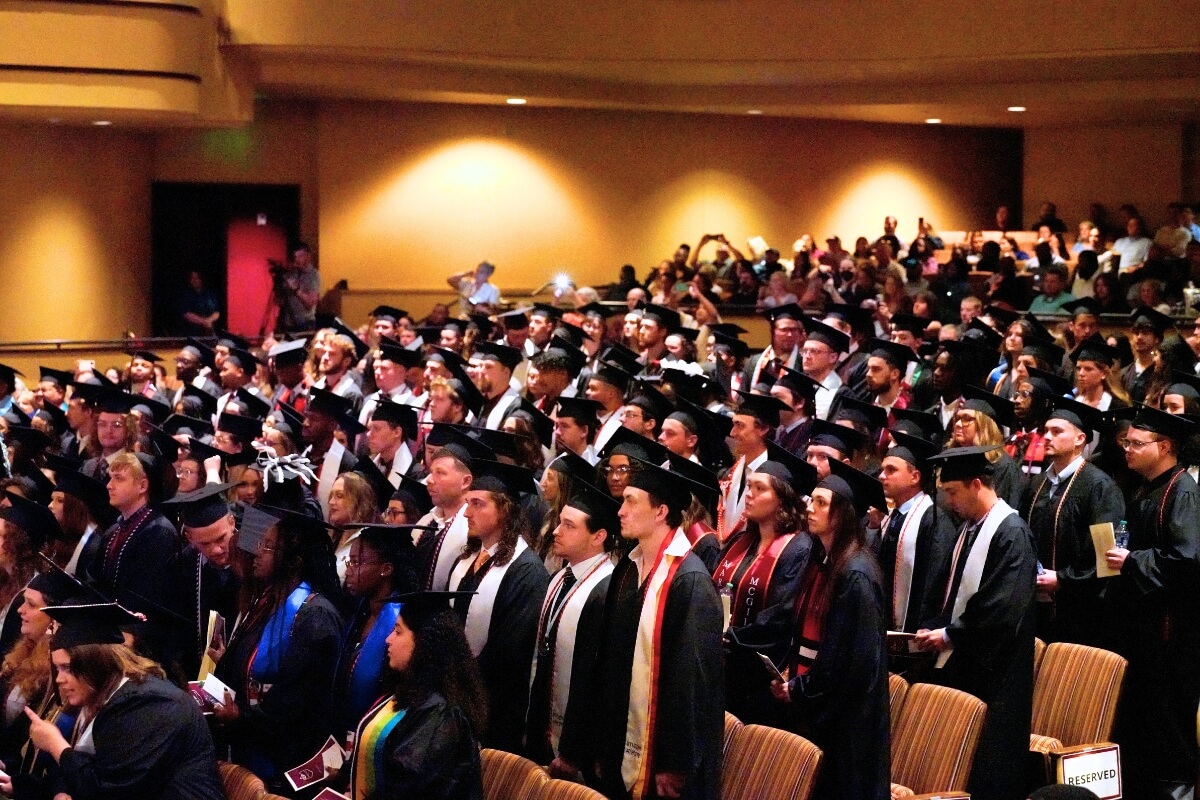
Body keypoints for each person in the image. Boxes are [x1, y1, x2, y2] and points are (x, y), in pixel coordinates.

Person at [586, 460, 723, 800]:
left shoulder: (690, 581)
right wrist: (605, 746)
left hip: (663, 760)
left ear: (661, 511)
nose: (620, 510)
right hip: (620, 746)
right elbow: (612, 663)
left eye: (631, 501)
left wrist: (673, 762)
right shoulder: (629, 570)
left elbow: (691, 681)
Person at [914, 446, 1036, 800]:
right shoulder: (968, 529)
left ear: (977, 483)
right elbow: (949, 591)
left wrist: (951, 634)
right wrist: (934, 625)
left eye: (953, 492)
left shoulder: (1012, 532)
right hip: (964, 662)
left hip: (995, 671)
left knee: (988, 766)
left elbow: (1002, 606)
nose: (949, 502)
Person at [16, 602, 224, 800]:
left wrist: (56, 745)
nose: (60, 679)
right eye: (58, 668)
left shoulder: (150, 704)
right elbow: (87, 772)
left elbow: (109, 792)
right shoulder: (108, 695)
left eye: (68, 668)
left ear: (96, 663)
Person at [769, 459, 890, 800]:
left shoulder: (856, 574)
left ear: (843, 514)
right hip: (817, 703)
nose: (810, 508)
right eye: (812, 500)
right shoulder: (822, 561)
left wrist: (802, 689)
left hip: (847, 720)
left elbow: (853, 661)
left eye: (821, 503)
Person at [211, 505, 344, 790]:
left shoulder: (314, 616)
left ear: (293, 560)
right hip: (255, 745)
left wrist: (240, 717)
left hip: (290, 760)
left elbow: (298, 703)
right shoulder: (268, 601)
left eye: (269, 547)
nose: (257, 551)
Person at [1104, 406, 1200, 799]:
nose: (1127, 449)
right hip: (1144, 632)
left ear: (1165, 446)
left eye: (1136, 443)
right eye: (1126, 442)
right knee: (1144, 726)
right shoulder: (1148, 487)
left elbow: (1189, 560)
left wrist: (1133, 560)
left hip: (1171, 636)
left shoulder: (1183, 491)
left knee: (1168, 729)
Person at [338, 591, 486, 800]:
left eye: (398, 632)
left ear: (424, 642)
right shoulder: (409, 693)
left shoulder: (440, 714)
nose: (388, 640)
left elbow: (408, 787)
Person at [446, 460, 548, 753]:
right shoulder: (466, 559)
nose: (467, 513)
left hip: (494, 712)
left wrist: (463, 688)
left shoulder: (528, 572)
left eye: (478, 504)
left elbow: (510, 655)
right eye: (467, 504)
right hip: (456, 698)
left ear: (504, 509)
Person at [715, 454, 813, 726]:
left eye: (760, 489)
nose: (749, 495)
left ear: (782, 498)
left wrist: (732, 637)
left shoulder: (798, 548)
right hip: (723, 666)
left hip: (760, 677)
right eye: (749, 487)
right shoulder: (742, 542)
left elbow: (782, 613)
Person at [528, 480, 617, 771]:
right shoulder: (559, 577)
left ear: (598, 536)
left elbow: (597, 678)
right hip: (543, 727)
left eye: (569, 525)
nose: (556, 530)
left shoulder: (606, 590)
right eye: (559, 522)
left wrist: (574, 751)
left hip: (580, 748)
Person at [1020, 399, 1123, 646]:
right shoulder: (1037, 484)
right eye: (1046, 430)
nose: (1047, 437)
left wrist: (1063, 580)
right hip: (1033, 606)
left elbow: (1105, 557)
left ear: (1080, 439)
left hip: (1077, 612)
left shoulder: (1099, 487)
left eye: (1057, 431)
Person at [272, 242, 320, 335]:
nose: (297, 260)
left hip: (305, 324)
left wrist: (296, 289)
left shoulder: (313, 275)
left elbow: (310, 303)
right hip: (288, 324)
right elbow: (279, 301)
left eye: (300, 256)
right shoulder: (291, 273)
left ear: (308, 256)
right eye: (295, 257)